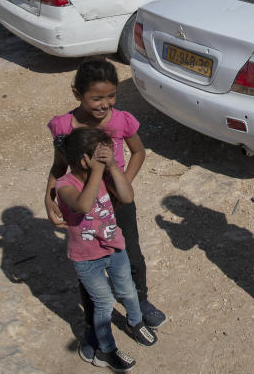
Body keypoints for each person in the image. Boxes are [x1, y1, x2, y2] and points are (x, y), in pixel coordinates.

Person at [44, 59, 166, 360]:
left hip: (117, 202)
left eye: (111, 96)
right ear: (77, 94)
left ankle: (139, 301)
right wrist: (48, 197)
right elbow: (59, 166)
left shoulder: (121, 120)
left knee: (132, 255)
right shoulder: (63, 126)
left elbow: (138, 152)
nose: (104, 104)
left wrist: (122, 183)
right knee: (91, 267)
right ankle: (91, 325)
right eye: (96, 98)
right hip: (83, 210)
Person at [55, 127, 156, 372]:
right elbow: (83, 204)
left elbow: (127, 196)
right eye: (102, 156)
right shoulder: (64, 185)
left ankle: (135, 322)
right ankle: (106, 350)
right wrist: (99, 171)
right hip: (87, 258)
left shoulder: (105, 175)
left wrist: (111, 167)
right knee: (104, 303)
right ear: (84, 161)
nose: (108, 159)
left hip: (115, 248)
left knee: (128, 291)